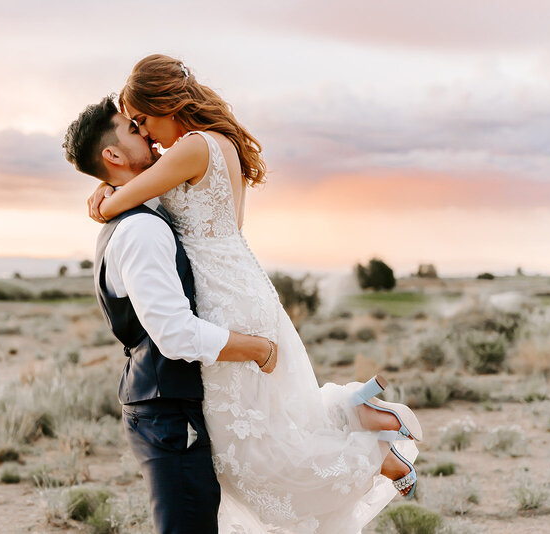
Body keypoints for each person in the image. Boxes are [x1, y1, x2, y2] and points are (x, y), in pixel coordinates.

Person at [84, 54, 422, 534]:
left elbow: (122, 199)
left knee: (248, 449)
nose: (146, 133)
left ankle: (374, 455)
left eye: (143, 119)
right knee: (271, 422)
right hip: (243, 286)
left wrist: (102, 196)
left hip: (223, 298)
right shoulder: (220, 147)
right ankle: (357, 414)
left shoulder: (192, 148)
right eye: (134, 125)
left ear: (168, 103)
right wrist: (110, 183)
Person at [63, 96, 281, 534]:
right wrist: (258, 348)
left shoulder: (142, 214)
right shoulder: (142, 230)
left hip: (165, 401)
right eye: (132, 129)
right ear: (113, 155)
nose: (144, 132)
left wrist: (110, 192)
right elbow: (175, 334)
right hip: (167, 410)